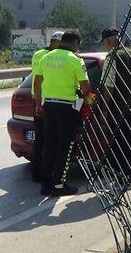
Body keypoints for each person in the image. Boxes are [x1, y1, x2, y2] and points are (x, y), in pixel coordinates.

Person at [33, 31, 90, 196]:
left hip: (48, 106)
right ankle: (59, 185)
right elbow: (85, 87)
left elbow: (37, 83)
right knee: (65, 147)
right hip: (67, 108)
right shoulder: (75, 60)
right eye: (78, 45)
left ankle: (45, 185)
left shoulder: (47, 57)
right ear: (74, 43)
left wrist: (38, 104)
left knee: (49, 145)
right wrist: (83, 95)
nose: (78, 48)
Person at [100, 28, 131, 180]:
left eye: (104, 44)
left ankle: (121, 175)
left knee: (119, 141)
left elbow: (109, 85)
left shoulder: (111, 57)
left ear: (107, 41)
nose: (104, 47)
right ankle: (130, 174)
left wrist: (105, 108)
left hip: (118, 106)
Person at [29, 31, 63, 182]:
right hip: (47, 100)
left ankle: (36, 173)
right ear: (57, 42)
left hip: (36, 99)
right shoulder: (53, 57)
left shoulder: (37, 54)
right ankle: (48, 175)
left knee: (40, 140)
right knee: (51, 141)